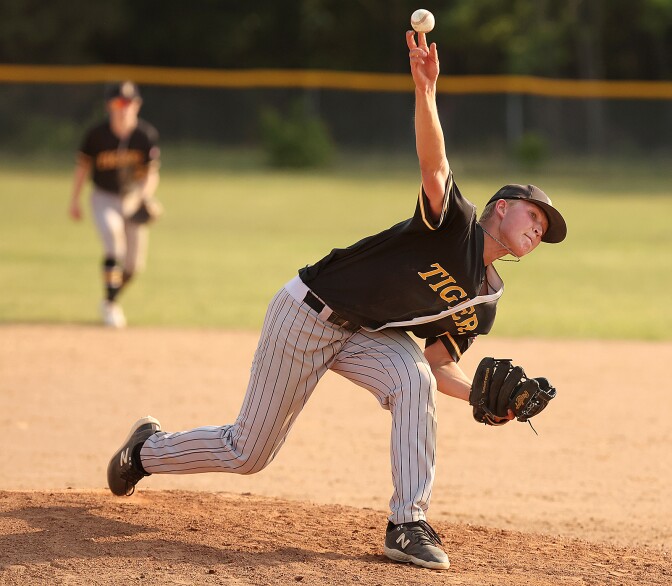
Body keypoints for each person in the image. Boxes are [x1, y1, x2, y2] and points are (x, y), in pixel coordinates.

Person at [106, 31, 567, 571]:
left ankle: (407, 523)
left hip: (366, 335)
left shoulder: (485, 299)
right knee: (248, 452)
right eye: (534, 216)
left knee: (414, 379)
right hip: (308, 313)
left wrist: (487, 400)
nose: (538, 231)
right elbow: (434, 164)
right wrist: (426, 90)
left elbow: (440, 365)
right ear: (502, 208)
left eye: (545, 229)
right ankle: (145, 451)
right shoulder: (454, 226)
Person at [69, 81, 161, 327]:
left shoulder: (145, 135)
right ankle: (110, 306)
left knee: (133, 265)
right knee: (113, 242)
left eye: (129, 103)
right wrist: (74, 200)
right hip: (103, 196)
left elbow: (151, 174)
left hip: (131, 196)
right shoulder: (96, 135)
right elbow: (82, 169)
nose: (124, 108)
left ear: (137, 105)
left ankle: (110, 300)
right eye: (119, 102)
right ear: (109, 106)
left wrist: (144, 196)